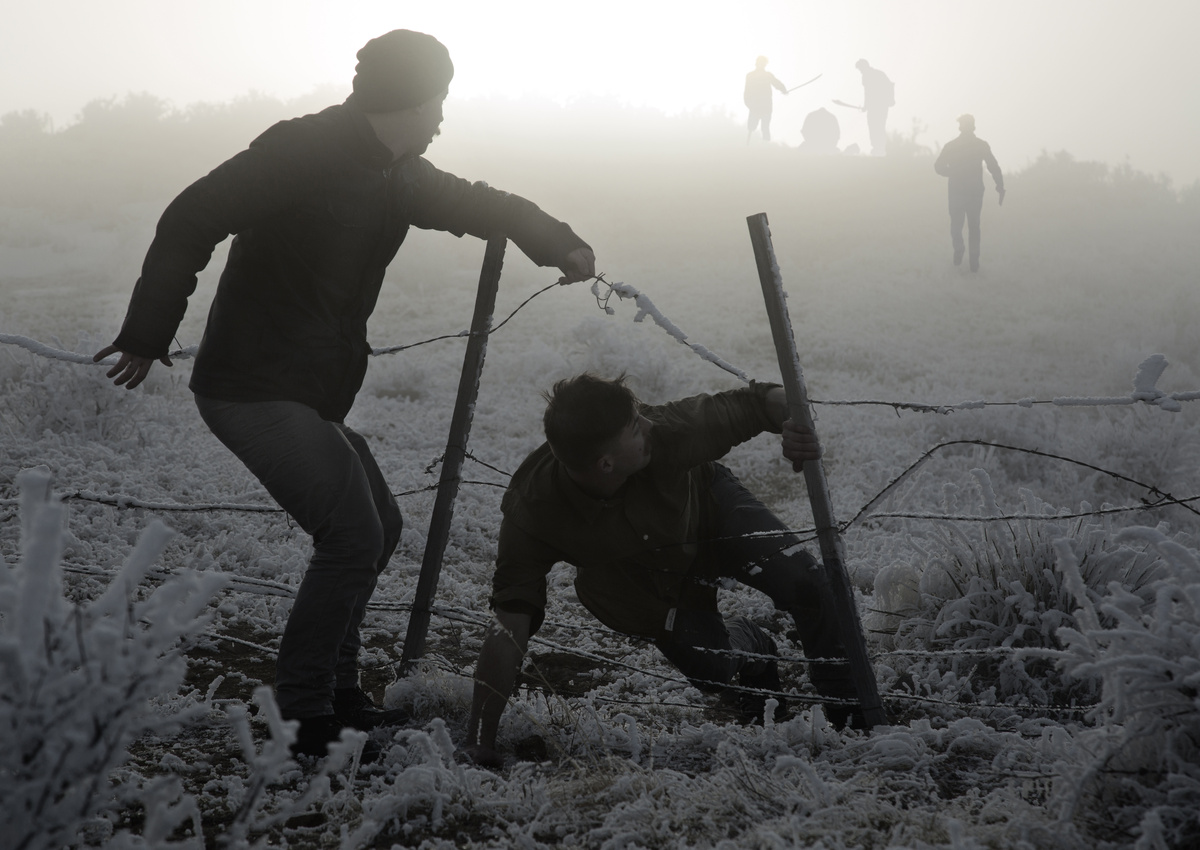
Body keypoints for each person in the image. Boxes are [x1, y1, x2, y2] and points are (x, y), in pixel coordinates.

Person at [93, 29, 596, 761]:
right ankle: (302, 714)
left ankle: (341, 695)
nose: (442, 119)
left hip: (310, 391)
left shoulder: (400, 173)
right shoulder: (303, 151)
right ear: (408, 99)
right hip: (249, 384)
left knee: (379, 525)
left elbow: (485, 203)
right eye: (438, 101)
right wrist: (147, 331)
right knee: (353, 534)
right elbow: (192, 215)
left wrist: (561, 243)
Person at [461, 374, 862, 767]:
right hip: (647, 575)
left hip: (711, 508)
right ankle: (756, 647)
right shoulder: (533, 510)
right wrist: (480, 740)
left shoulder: (664, 431)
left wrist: (794, 424)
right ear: (606, 463)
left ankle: (855, 723)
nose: (648, 425)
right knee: (714, 669)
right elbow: (509, 624)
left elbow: (759, 400)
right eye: (636, 427)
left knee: (809, 583)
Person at [934, 113, 1005, 272]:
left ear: (960, 127)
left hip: (956, 192)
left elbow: (938, 166)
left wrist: (952, 173)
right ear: (973, 126)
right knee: (974, 227)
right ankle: (974, 263)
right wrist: (1000, 186)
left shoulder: (951, 146)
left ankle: (959, 249)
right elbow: (993, 166)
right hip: (975, 193)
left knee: (956, 225)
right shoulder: (981, 145)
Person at [854, 59, 894, 156]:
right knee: (877, 126)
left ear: (864, 67)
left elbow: (868, 92)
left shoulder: (868, 76)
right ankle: (878, 148)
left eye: (860, 69)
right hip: (879, 106)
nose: (860, 71)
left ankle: (879, 148)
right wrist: (866, 105)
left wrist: (866, 105)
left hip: (878, 106)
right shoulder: (878, 74)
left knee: (876, 126)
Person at [744, 56, 788, 142]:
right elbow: (747, 91)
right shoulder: (751, 76)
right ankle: (749, 146)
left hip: (764, 106)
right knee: (752, 127)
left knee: (764, 128)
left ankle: (764, 148)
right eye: (760, 63)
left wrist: (783, 89)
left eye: (763, 63)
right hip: (755, 106)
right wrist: (749, 104)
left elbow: (777, 83)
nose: (761, 65)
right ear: (757, 63)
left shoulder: (766, 75)